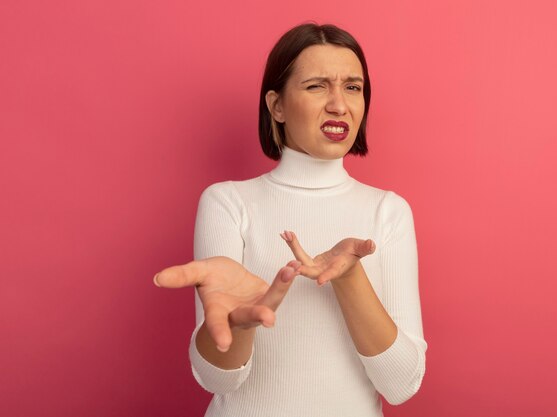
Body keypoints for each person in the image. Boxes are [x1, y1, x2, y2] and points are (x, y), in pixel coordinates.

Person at [153, 23, 427, 417]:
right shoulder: (228, 203)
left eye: (353, 87)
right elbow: (217, 380)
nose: (338, 104)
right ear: (276, 105)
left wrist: (350, 280)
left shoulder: (388, 212)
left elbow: (401, 384)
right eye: (317, 86)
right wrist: (239, 326)